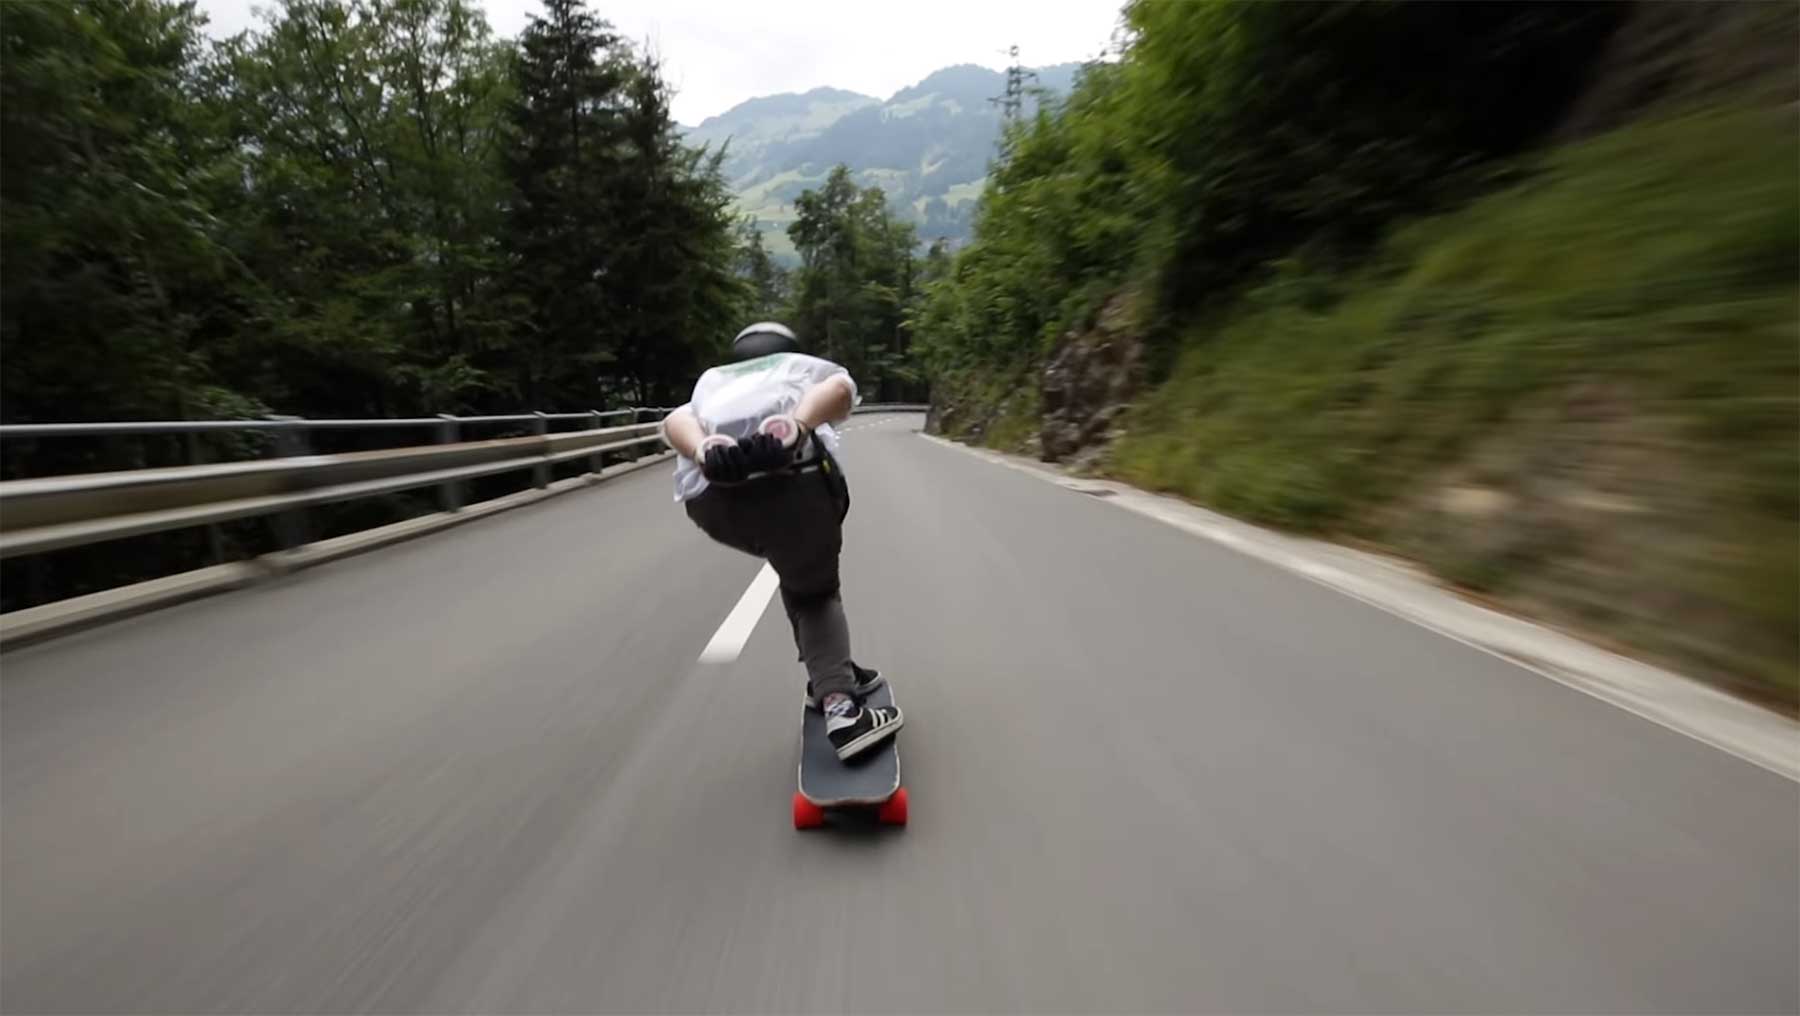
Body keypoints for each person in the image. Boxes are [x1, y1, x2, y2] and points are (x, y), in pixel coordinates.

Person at [661, 322, 903, 762]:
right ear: (788, 349)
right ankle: (843, 712)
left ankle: (832, 673)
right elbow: (840, 390)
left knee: (795, 573)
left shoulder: (715, 384)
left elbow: (673, 420)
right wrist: (798, 422)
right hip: (795, 484)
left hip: (714, 499)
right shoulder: (799, 370)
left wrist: (703, 453)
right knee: (813, 590)